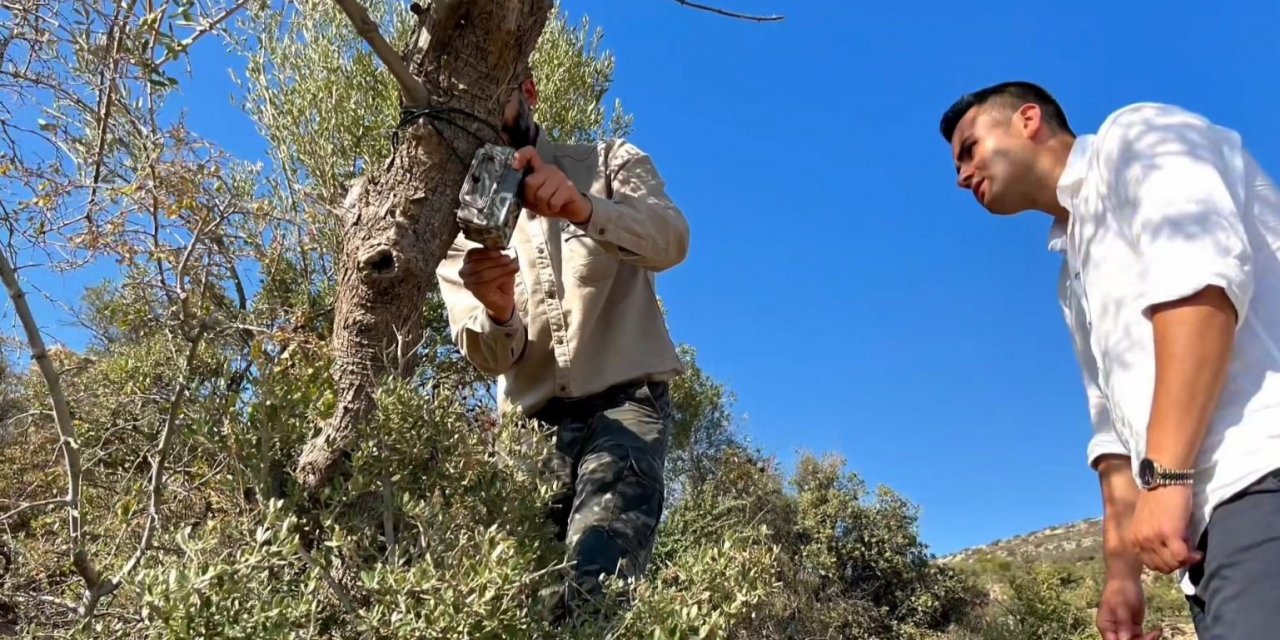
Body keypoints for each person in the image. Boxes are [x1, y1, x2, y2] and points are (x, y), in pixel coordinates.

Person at [938, 81, 1280, 639]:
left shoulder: (1139, 136)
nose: (961, 175)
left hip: (1264, 473)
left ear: (1028, 120)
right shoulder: (1072, 275)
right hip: (1205, 537)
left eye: (969, 148)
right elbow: (1115, 436)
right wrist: (1123, 575)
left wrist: (1167, 475)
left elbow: (1201, 288)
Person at [434, 70, 690, 623]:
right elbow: (486, 353)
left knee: (592, 597)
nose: (479, 112)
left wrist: (584, 209)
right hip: (530, 429)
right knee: (521, 606)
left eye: (492, 92)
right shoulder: (451, 225)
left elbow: (671, 239)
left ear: (527, 93)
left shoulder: (607, 161)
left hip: (626, 404)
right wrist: (500, 310)